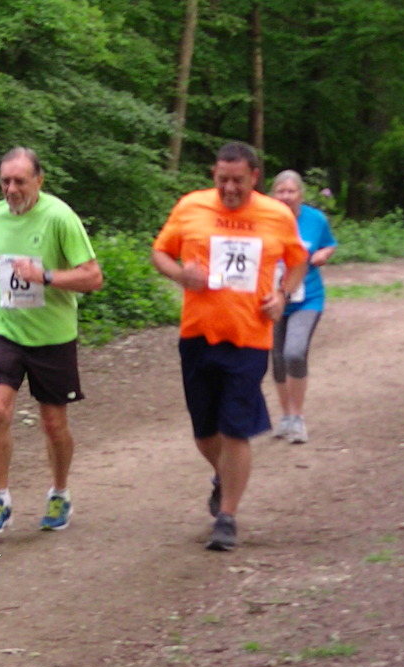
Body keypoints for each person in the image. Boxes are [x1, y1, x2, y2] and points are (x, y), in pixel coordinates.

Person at [151, 142, 308, 551]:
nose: (230, 188)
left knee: (235, 427)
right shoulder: (191, 206)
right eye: (223, 180)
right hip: (197, 334)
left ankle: (227, 517)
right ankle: (224, 474)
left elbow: (298, 261)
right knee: (205, 432)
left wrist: (282, 295)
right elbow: (160, 252)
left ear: (255, 176)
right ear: (213, 175)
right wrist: (180, 275)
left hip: (249, 337)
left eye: (238, 180)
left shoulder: (276, 215)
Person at [0, 147, 104, 534]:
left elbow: (93, 277)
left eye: (20, 181)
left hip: (52, 335)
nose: (11, 189)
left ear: (39, 181)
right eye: (5, 181)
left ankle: (60, 493)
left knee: (53, 423)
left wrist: (45, 276)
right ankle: (0, 499)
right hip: (6, 328)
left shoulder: (60, 217)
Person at [267, 170, 337, 444]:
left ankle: (297, 417)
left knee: (294, 352)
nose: (286, 196)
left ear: (300, 195)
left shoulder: (315, 219)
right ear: (273, 195)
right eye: (280, 191)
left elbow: (329, 244)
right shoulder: (264, 219)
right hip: (272, 299)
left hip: (307, 298)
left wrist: (323, 254)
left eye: (291, 191)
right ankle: (286, 416)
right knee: (277, 360)